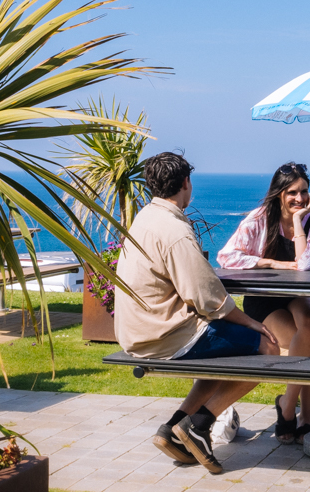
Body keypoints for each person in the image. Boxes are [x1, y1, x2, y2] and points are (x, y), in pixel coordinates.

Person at [114, 152, 280, 474]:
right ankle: (199, 426)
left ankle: (174, 429)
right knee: (267, 349)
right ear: (186, 183)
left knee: (223, 352)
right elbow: (206, 296)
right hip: (165, 335)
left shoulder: (145, 218)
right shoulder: (174, 230)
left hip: (138, 332)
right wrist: (251, 322)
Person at [217, 162, 310, 443]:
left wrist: (298, 224)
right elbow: (226, 256)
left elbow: (305, 265)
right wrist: (270, 262)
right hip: (265, 299)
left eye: (304, 192)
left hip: (298, 294)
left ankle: (289, 408)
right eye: (292, 192)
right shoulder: (258, 220)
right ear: (279, 193)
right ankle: (302, 416)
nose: (299, 198)